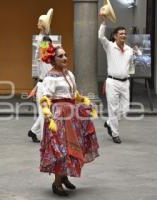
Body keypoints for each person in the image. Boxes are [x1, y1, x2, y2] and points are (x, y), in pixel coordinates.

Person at [39, 45, 99, 196]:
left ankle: (64, 177)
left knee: (73, 147)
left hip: (72, 114)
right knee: (61, 148)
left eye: (65, 55)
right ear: (52, 60)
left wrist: (83, 101)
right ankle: (57, 184)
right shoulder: (50, 77)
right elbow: (45, 98)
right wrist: (47, 114)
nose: (65, 58)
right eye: (60, 56)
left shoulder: (69, 73)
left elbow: (74, 92)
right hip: (59, 116)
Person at [98, 14, 140, 144]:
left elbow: (137, 59)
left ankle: (109, 122)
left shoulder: (128, 49)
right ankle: (115, 134)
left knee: (125, 109)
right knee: (113, 109)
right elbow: (100, 37)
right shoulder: (109, 46)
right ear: (115, 36)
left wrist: (137, 52)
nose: (123, 35)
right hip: (112, 82)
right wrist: (103, 22)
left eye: (125, 34)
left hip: (125, 82)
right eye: (121, 33)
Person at [27, 11, 53, 143]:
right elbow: (40, 44)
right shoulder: (41, 55)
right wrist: (44, 31)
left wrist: (46, 29)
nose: (46, 47)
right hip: (42, 85)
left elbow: (46, 42)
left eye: (49, 45)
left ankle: (33, 131)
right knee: (44, 113)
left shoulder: (52, 56)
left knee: (47, 112)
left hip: (51, 85)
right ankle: (45, 140)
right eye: (45, 45)